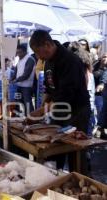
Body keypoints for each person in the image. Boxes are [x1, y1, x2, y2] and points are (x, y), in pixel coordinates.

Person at [29, 30, 91, 170]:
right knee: (54, 149)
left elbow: (66, 95)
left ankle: (80, 181)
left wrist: (41, 111)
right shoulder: (48, 61)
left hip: (76, 111)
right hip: (59, 111)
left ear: (47, 44)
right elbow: (48, 88)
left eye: (38, 52)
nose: (38, 57)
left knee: (75, 152)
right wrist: (42, 108)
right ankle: (54, 178)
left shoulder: (70, 60)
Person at [11, 44, 36, 115]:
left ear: (25, 52)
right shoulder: (19, 59)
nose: (18, 54)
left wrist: (15, 80)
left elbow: (26, 74)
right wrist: (12, 79)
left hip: (27, 86)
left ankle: (31, 118)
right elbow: (16, 71)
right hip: (19, 85)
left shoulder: (30, 59)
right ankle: (25, 118)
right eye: (17, 52)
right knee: (21, 103)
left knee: (27, 103)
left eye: (20, 52)